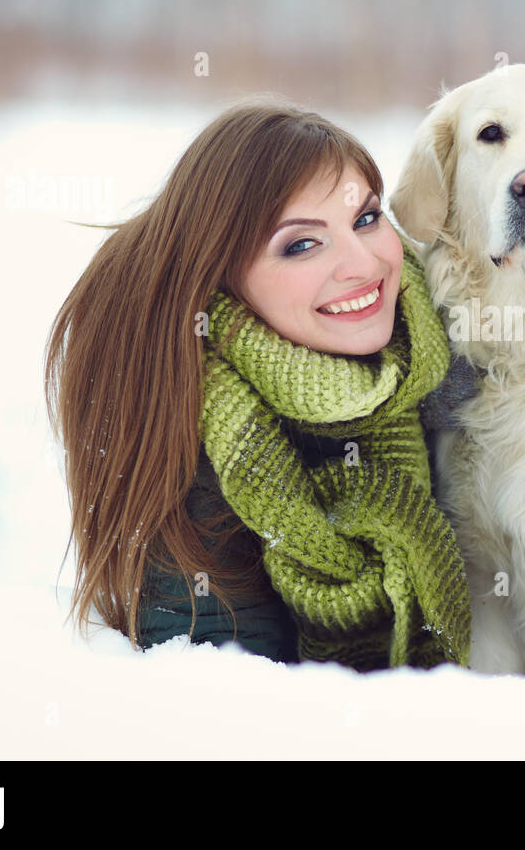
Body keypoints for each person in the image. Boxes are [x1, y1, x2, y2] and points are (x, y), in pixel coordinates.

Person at [44, 97, 472, 671]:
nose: (365, 265)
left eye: (366, 219)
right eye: (301, 244)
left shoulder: (431, 345)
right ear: (222, 277)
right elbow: (230, 711)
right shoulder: (203, 454)